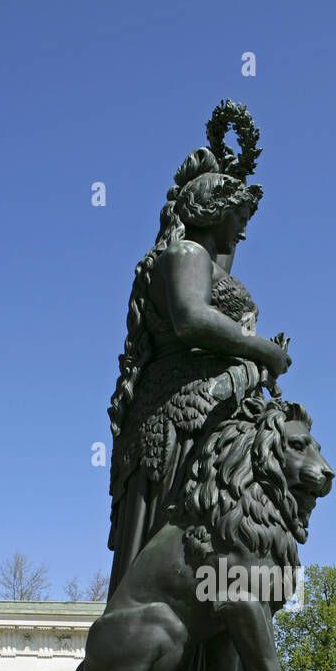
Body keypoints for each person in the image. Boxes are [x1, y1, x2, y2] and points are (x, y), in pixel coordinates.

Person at [106, 109, 290, 598]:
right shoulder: (184, 255)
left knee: (219, 528)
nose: (244, 232)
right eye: (238, 219)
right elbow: (192, 317)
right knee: (181, 528)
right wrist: (265, 352)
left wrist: (237, 181)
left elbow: (223, 271)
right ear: (214, 212)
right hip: (181, 411)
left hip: (207, 406)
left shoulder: (206, 259)